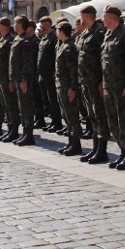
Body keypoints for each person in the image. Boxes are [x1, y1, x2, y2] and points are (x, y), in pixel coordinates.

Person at [100, 5, 125, 170]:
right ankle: (122, 152)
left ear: (113, 18)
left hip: (122, 86)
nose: (102, 20)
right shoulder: (108, 34)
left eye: (104, 17)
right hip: (109, 86)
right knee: (113, 121)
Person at [77, 5, 109, 164]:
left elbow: (103, 59)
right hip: (86, 82)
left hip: (96, 82)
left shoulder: (99, 33)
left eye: (81, 16)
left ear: (87, 16)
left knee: (99, 116)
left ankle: (102, 150)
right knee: (92, 116)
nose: (80, 19)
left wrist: (102, 81)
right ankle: (96, 148)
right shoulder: (85, 33)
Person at [10, 15, 38, 146]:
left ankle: (29, 134)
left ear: (21, 25)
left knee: (27, 106)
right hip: (17, 79)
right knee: (22, 106)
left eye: (15, 23)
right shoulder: (18, 39)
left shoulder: (26, 40)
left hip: (23, 79)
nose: (13, 25)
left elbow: (27, 62)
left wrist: (24, 79)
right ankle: (25, 133)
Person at [55, 22, 82, 155]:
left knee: (72, 115)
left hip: (68, 86)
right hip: (61, 85)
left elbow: (73, 70)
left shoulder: (69, 47)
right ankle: (71, 142)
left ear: (62, 31)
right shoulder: (62, 45)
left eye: (58, 30)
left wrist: (73, 87)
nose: (56, 32)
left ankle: (76, 144)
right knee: (66, 115)